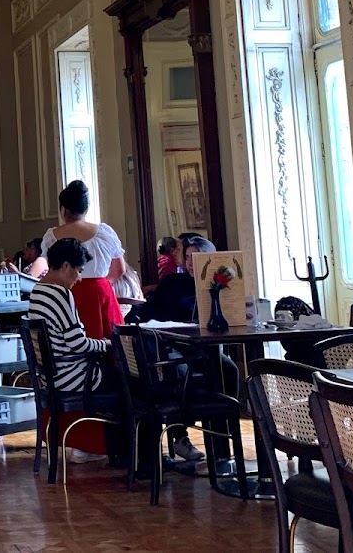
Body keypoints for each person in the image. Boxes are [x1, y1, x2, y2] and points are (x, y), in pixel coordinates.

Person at [129, 233, 221, 463]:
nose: (191, 262)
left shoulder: (217, 287)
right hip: (168, 347)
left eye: (196, 257)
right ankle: (180, 435)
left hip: (201, 348)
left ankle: (219, 443)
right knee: (179, 373)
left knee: (228, 370)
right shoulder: (173, 282)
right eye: (188, 257)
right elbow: (147, 311)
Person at [27, 238, 116, 463]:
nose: (79, 278)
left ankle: (111, 448)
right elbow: (78, 344)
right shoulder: (61, 294)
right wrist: (106, 344)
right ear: (66, 266)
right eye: (79, 271)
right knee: (130, 383)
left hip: (51, 376)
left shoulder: (37, 290)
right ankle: (127, 452)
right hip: (72, 377)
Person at [41, 182, 125, 341]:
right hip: (101, 292)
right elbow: (119, 269)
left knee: (73, 342)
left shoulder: (52, 236)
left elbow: (51, 270)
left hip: (68, 294)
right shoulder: (104, 232)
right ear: (86, 209)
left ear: (63, 210)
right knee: (112, 345)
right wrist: (100, 283)